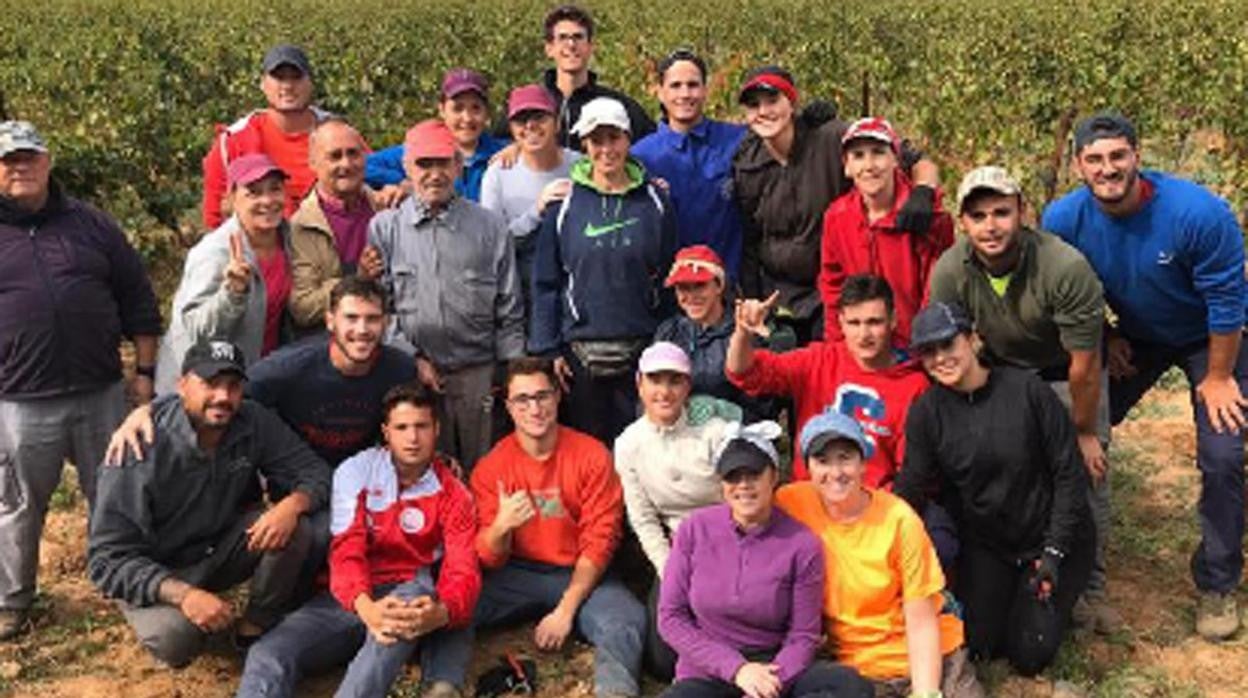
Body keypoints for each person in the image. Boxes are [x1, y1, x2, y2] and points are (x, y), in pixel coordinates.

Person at [1042, 111, 1248, 641]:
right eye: (1095, 159)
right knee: (1071, 426)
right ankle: (1075, 568)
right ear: (1077, 165)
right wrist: (1107, 337)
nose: (1108, 169)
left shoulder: (1198, 213)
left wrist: (1220, 375)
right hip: (1134, 333)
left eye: (1118, 156)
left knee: (1223, 454)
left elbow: (1228, 302)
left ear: (1137, 155)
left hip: (1211, 336)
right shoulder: (1064, 220)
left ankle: (1218, 582)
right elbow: (1071, 291)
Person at [930, 165, 1116, 632]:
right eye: (978, 215)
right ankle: (1002, 566)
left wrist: (1084, 430)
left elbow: (1085, 363)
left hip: (1063, 371)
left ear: (1023, 213)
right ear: (963, 221)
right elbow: (948, 343)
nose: (990, 226)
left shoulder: (1063, 266)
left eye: (1001, 212)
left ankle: (1089, 587)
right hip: (999, 370)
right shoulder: (951, 270)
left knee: (1083, 468)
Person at [0, 120, 162, 640]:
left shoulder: (91, 224)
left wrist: (144, 373)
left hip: (100, 390)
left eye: (29, 156)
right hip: (20, 398)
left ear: (48, 162)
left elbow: (137, 296)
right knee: (19, 502)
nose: (19, 167)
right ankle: (12, 600)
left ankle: (121, 582)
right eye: (8, 161)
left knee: (114, 492)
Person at [88, 341, 329, 667]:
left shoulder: (252, 420)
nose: (222, 397)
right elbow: (106, 559)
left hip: (218, 550)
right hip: (158, 569)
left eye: (232, 386)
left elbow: (315, 472)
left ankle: (255, 627)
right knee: (176, 638)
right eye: (209, 384)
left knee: (295, 526)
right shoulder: (138, 447)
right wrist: (183, 595)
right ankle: (174, 615)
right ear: (182, 385)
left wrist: (293, 504)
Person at [235, 383, 479, 698]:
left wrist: (443, 612)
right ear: (385, 432)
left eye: (421, 426)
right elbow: (346, 549)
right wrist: (364, 607)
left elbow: (462, 567)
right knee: (269, 653)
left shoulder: (455, 493)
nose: (413, 438)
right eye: (402, 427)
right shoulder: (356, 471)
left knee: (394, 625)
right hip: (351, 595)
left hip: (411, 590)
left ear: (436, 429)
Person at [895, 302, 1093, 676]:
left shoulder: (1028, 391)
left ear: (973, 339)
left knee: (1029, 655)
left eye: (948, 344)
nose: (940, 358)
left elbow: (1069, 474)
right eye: (929, 351)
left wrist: (1054, 551)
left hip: (1051, 537)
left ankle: (1060, 597)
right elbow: (913, 482)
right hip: (989, 542)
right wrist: (874, 526)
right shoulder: (927, 411)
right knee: (981, 645)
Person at [658, 420, 874, 698]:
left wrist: (770, 683)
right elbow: (671, 618)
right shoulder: (694, 529)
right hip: (709, 669)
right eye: (733, 477)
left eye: (754, 474)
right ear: (721, 483)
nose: (744, 486)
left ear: (773, 476)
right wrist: (736, 669)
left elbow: (804, 635)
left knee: (850, 687)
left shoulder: (802, 543)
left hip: (777, 667)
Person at [470, 357, 646, 698]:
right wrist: (500, 528)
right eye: (523, 400)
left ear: (557, 397)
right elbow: (487, 558)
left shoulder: (591, 455)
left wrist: (566, 610)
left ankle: (616, 691)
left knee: (626, 620)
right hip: (517, 573)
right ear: (508, 406)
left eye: (542, 396)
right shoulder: (492, 467)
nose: (534, 409)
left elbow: (601, 539)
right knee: (457, 605)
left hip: (581, 571)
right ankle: (443, 683)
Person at [777, 411, 982, 698]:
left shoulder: (898, 519)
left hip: (925, 654)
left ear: (863, 464)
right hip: (853, 666)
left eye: (845, 458)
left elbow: (921, 619)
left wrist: (926, 691)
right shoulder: (790, 503)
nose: (835, 473)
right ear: (807, 466)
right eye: (822, 461)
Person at [732, 66, 940, 345]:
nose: (764, 111)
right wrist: (752, 296)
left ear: (792, 102)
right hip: (777, 293)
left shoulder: (831, 139)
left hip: (829, 292)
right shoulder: (747, 163)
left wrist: (924, 191)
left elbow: (914, 159)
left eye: (772, 101)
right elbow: (750, 238)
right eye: (754, 105)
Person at [368, 119, 524, 470]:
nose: (434, 174)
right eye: (424, 164)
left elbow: (510, 304)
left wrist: (510, 374)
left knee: (482, 471)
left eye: (443, 163)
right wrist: (411, 357)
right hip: (414, 375)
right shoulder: (385, 228)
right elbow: (381, 307)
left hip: (478, 374)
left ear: (457, 166)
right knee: (422, 474)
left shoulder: (489, 225)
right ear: (407, 167)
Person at [529, 97, 678, 446]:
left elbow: (670, 277)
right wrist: (547, 349)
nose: (606, 149)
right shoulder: (563, 205)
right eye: (597, 140)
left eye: (614, 138)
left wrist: (668, 341)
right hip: (579, 354)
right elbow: (545, 282)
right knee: (588, 451)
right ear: (584, 144)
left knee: (642, 449)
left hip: (643, 348)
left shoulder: (655, 202)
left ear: (628, 140)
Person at [725, 275, 929, 482]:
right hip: (808, 498)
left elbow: (910, 474)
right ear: (841, 322)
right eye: (854, 323)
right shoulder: (818, 360)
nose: (863, 334)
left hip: (873, 505)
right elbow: (743, 372)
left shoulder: (914, 386)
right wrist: (742, 333)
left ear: (893, 320)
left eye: (874, 322)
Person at [613, 342, 735, 679]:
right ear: (640, 384)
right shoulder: (628, 444)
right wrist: (671, 573)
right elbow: (643, 518)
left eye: (674, 381)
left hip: (728, 544)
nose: (664, 392)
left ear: (688, 386)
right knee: (663, 662)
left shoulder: (714, 430)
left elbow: (740, 498)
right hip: (678, 549)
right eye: (655, 381)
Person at [158, 153, 294, 394]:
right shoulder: (214, 253)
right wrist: (232, 293)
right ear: (232, 199)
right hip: (206, 387)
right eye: (253, 192)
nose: (268, 200)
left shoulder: (290, 239)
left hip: (258, 375)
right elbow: (196, 329)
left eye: (275, 189)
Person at [818, 117, 953, 346]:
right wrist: (838, 348)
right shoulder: (837, 217)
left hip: (916, 346)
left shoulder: (926, 215)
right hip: (862, 346)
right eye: (858, 155)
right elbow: (833, 288)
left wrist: (924, 345)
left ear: (895, 159)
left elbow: (937, 291)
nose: (869, 165)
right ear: (847, 167)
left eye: (878, 152)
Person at [631, 49, 746, 277]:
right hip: (670, 289)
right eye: (675, 86)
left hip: (729, 285)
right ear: (660, 93)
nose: (685, 94)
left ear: (705, 90)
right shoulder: (640, 156)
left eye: (693, 85)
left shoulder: (738, 141)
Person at [479, 83, 582, 316]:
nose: (530, 126)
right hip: (520, 296)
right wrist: (536, 212)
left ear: (556, 122)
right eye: (520, 120)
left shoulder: (580, 165)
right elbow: (493, 245)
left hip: (574, 289)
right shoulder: (498, 173)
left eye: (539, 117)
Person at [202, 44, 328, 229]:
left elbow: (369, 179)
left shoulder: (337, 134)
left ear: (310, 83)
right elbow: (214, 216)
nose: (287, 85)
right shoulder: (234, 141)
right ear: (263, 84)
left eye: (296, 77)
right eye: (279, 77)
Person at [288, 118, 387, 333]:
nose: (346, 164)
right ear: (313, 163)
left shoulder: (385, 210)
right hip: (327, 343)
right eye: (335, 156)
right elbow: (303, 307)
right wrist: (356, 280)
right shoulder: (301, 227)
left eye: (353, 153)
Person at [654, 245, 773, 422]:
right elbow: (649, 390)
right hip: (677, 429)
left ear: (719, 286)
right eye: (683, 288)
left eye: (700, 286)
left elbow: (765, 405)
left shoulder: (744, 331)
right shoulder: (669, 332)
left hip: (737, 434)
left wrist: (730, 413)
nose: (691, 296)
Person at [366, 68, 509, 202]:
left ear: (487, 112)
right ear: (442, 110)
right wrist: (399, 181)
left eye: (476, 108)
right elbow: (363, 165)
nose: (467, 118)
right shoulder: (422, 150)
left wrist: (517, 149)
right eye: (458, 108)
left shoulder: (501, 152)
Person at [528, 4, 655, 149]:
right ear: (549, 49)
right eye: (563, 38)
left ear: (590, 47)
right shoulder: (531, 105)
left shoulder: (617, 105)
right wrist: (512, 147)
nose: (571, 45)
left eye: (578, 37)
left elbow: (652, 149)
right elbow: (500, 144)